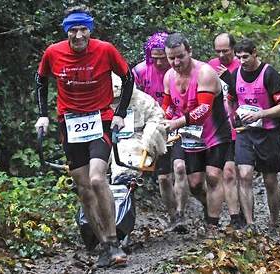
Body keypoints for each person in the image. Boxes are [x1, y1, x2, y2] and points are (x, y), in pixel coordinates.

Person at [34, 5, 134, 267]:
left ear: (90, 29)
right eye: (73, 30)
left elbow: (128, 77)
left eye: (83, 29)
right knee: (84, 188)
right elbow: (40, 80)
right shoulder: (53, 53)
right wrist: (43, 114)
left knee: (98, 179)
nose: (78, 36)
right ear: (66, 31)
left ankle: (114, 241)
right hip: (70, 124)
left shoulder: (105, 49)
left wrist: (120, 112)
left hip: (100, 120)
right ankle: (103, 244)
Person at [162, 33, 231, 235]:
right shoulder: (169, 76)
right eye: (171, 58)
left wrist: (176, 122)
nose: (176, 62)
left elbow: (204, 110)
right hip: (190, 136)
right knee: (194, 184)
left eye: (180, 56)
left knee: (212, 177)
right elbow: (167, 106)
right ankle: (209, 206)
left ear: (189, 52)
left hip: (215, 132)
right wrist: (164, 119)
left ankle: (212, 225)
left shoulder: (205, 73)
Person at [227, 38, 280, 233]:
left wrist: (260, 113)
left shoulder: (269, 74)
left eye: (245, 56)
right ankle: (250, 225)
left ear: (255, 53)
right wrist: (233, 117)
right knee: (244, 175)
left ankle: (274, 222)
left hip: (268, 132)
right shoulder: (235, 74)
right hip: (245, 132)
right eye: (238, 57)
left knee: (270, 180)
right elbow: (230, 100)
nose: (242, 61)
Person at [132, 32, 190, 231]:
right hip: (151, 128)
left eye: (162, 58)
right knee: (163, 177)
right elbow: (131, 98)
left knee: (180, 168)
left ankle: (182, 213)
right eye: (154, 58)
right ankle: (173, 216)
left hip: (176, 124)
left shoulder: (178, 70)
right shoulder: (140, 71)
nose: (158, 62)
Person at [208, 33, 243, 229]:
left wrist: (229, 79)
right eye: (218, 51)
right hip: (215, 128)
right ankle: (214, 217)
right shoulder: (210, 66)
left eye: (225, 51)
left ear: (234, 50)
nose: (221, 55)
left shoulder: (241, 65)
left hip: (237, 127)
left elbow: (243, 94)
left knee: (231, 173)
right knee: (214, 175)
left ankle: (236, 217)